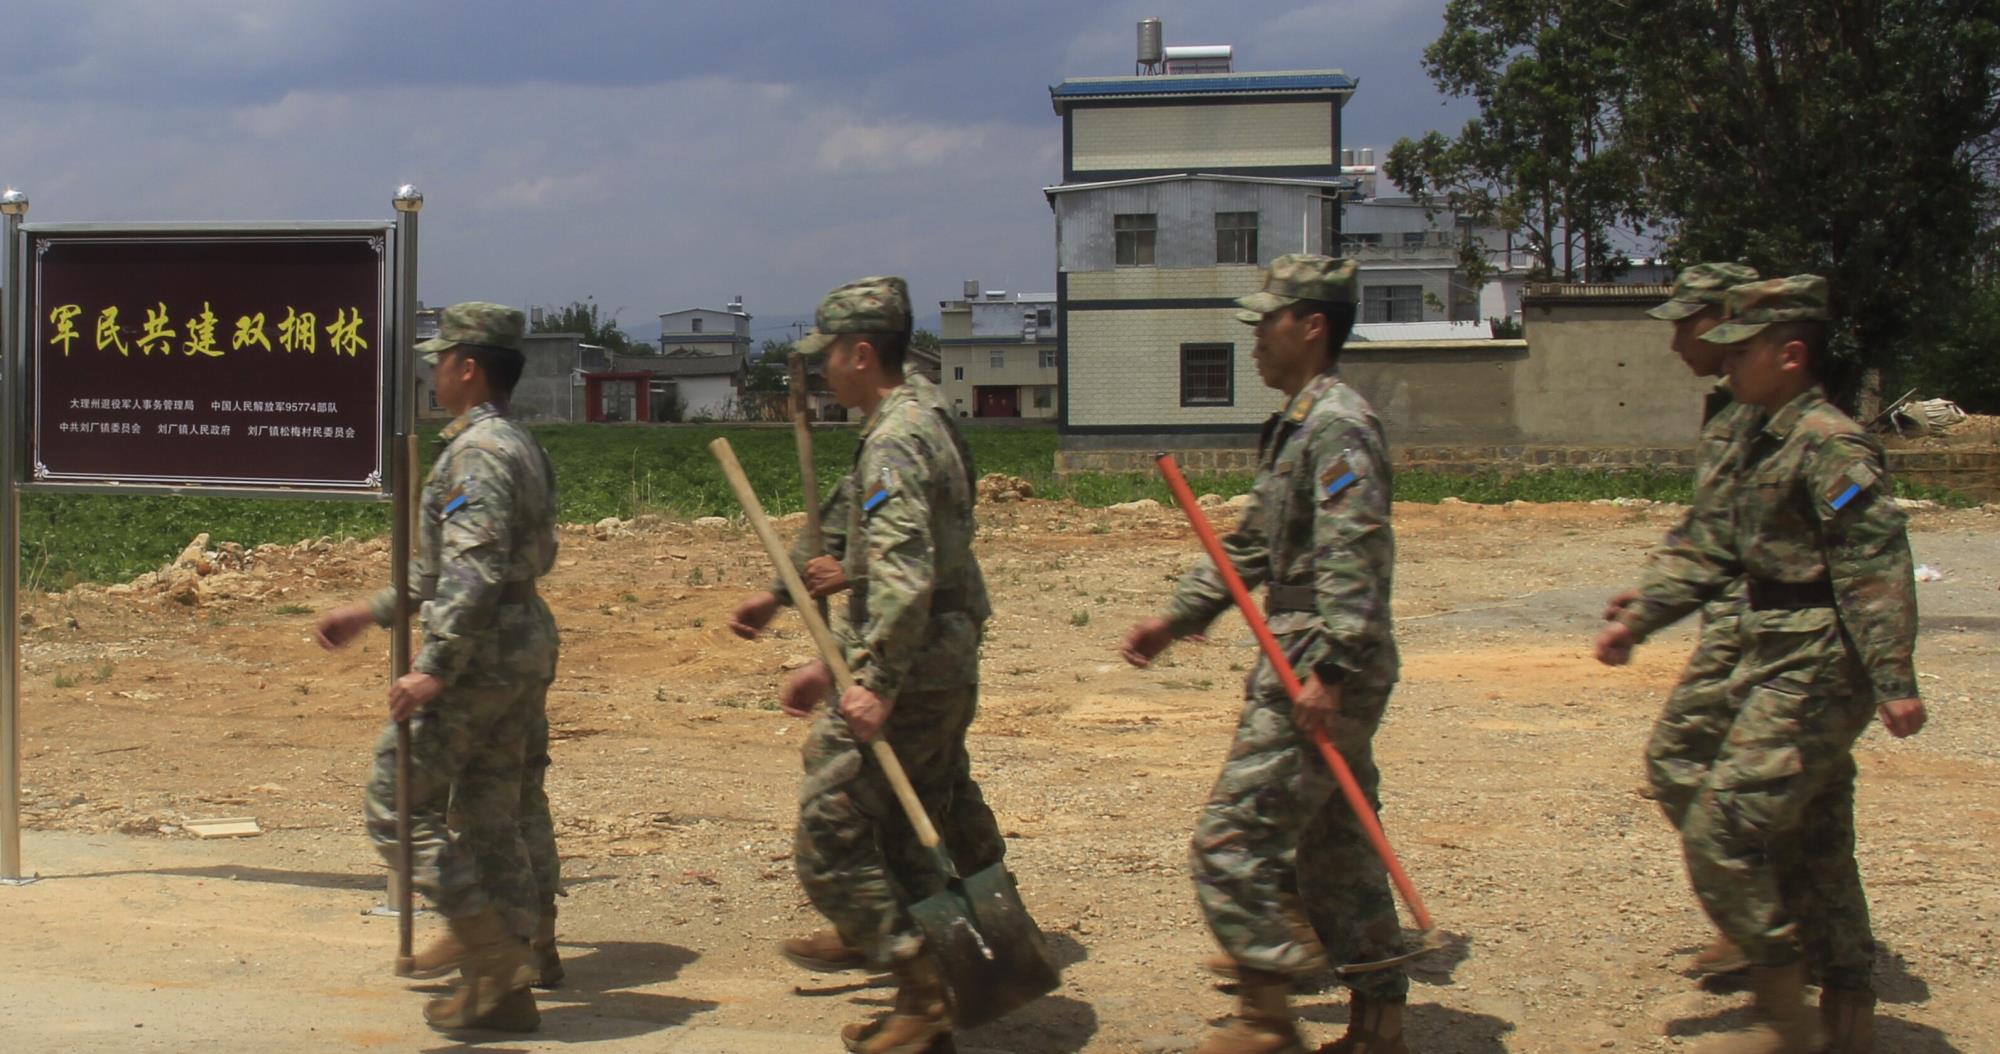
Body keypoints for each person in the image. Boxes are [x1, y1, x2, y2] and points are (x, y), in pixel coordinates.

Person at [1597, 276, 1925, 1054]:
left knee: (1728, 823)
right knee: (1805, 829)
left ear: (1790, 355)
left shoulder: (1830, 443)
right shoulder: (1755, 432)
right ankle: (1836, 1001)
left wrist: (1894, 679)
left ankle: (1789, 1014)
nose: (1723, 360)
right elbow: (1713, 544)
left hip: (1818, 655)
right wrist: (1643, 616)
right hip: (1764, 645)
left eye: (1741, 350)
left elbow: (1873, 565)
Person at [1122, 254, 1409, 1054]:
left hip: (1321, 652)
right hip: (1311, 646)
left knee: (1232, 840)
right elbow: (1251, 551)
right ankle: (1379, 1022)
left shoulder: (1337, 425)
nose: (1254, 336)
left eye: (1268, 320)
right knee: (1333, 846)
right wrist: (1176, 619)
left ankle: (1266, 1017)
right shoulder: (1299, 423)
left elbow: (1357, 558)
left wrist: (1333, 672)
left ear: (1312, 326)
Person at [750, 277, 1002, 1054]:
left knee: (832, 830)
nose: (821, 369)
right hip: (940, 654)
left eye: (827, 353)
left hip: (915, 664)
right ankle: (973, 951)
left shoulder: (897, 438)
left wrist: (871, 683)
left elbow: (901, 573)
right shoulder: (921, 418)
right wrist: (783, 595)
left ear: (862, 353)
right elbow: (844, 525)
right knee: (930, 814)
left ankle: (920, 984)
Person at [315, 301, 562, 1032]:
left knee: (396, 804)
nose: (431, 372)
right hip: (515, 647)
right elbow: (442, 570)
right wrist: (371, 611)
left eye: (439, 359)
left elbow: (474, 570)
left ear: (468, 367)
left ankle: (488, 951)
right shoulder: (511, 442)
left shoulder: (479, 454)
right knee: (489, 813)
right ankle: (507, 988)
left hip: (479, 655)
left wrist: (438, 667)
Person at [1605, 262, 1761, 976]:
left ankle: (1760, 925)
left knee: (1681, 763)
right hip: (1746, 619)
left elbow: (1728, 541)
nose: (1674, 344)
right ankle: (1779, 928)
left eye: (1685, 324)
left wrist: (1646, 614)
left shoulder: (1765, 409)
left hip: (1759, 626)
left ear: (1725, 320)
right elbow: (1708, 525)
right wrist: (1649, 593)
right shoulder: (1732, 407)